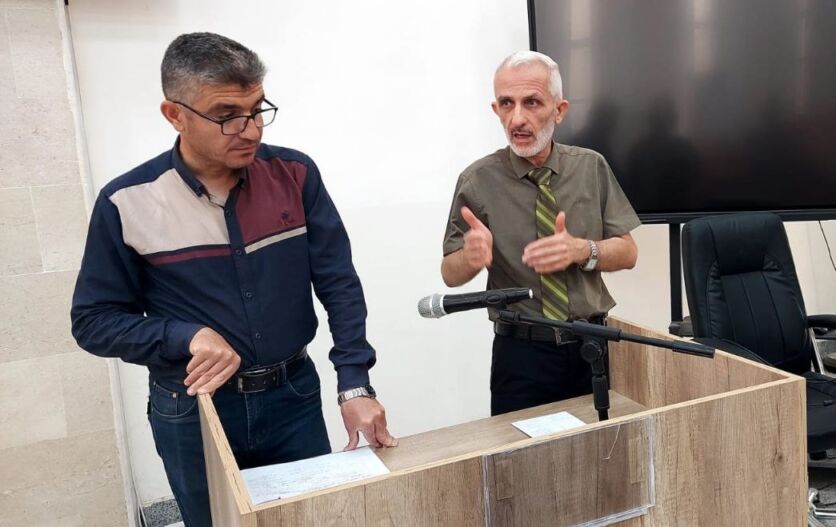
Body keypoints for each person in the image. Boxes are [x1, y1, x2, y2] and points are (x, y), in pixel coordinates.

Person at [70, 33, 396, 527]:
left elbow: (339, 284)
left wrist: (355, 385)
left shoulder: (295, 174)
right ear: (174, 115)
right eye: (227, 115)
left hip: (293, 397)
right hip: (194, 410)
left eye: (257, 109)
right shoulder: (126, 202)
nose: (250, 129)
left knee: (307, 520)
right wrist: (185, 335)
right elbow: (93, 321)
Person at [440, 51, 641, 416]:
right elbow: (450, 275)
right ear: (496, 109)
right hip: (522, 356)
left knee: (602, 446)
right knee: (523, 451)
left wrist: (582, 250)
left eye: (531, 102)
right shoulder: (477, 180)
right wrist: (470, 258)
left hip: (592, 347)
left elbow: (628, 253)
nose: (517, 118)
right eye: (506, 103)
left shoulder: (590, 166)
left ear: (559, 110)